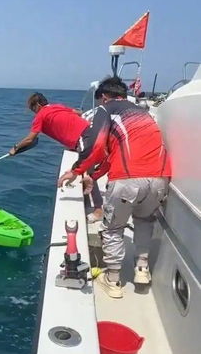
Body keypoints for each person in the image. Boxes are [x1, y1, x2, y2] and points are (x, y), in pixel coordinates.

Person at [58, 76, 171, 298]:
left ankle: (113, 280)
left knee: (113, 229)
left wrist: (76, 171)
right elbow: (113, 154)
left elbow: (96, 144)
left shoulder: (106, 109)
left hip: (128, 180)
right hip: (160, 178)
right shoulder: (143, 113)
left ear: (104, 97)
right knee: (144, 221)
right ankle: (142, 269)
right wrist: (94, 176)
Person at [9, 92, 104, 221]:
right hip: (93, 133)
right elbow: (78, 113)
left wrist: (15, 148)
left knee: (88, 171)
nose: (33, 112)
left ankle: (98, 210)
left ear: (38, 105)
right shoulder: (56, 106)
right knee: (93, 167)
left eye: (32, 108)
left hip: (84, 138)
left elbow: (30, 139)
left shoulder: (41, 115)